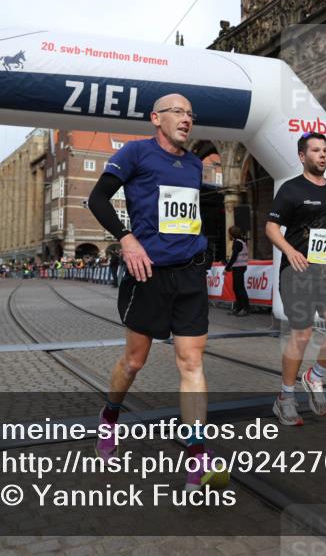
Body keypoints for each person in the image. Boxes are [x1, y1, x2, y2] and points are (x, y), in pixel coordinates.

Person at [87, 92, 229, 492]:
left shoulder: (196, 164)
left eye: (190, 114)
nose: (187, 119)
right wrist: (126, 239)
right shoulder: (135, 153)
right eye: (178, 113)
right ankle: (110, 415)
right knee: (134, 362)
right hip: (147, 274)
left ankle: (198, 456)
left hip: (189, 275)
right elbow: (97, 199)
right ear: (156, 118)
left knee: (191, 363)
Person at [265, 131, 326, 426]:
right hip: (298, 271)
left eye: (325, 150)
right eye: (316, 150)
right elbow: (271, 227)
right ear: (303, 156)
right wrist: (289, 252)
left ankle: (314, 376)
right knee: (301, 335)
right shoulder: (291, 190)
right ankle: (285, 398)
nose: (323, 155)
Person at [224, 226, 250, 316]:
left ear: (232, 234)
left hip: (239, 267)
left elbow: (234, 257)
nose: (229, 235)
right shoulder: (241, 241)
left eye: (229, 233)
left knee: (239, 288)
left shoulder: (237, 243)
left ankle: (245, 308)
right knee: (237, 288)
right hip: (240, 267)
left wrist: (227, 268)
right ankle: (239, 307)